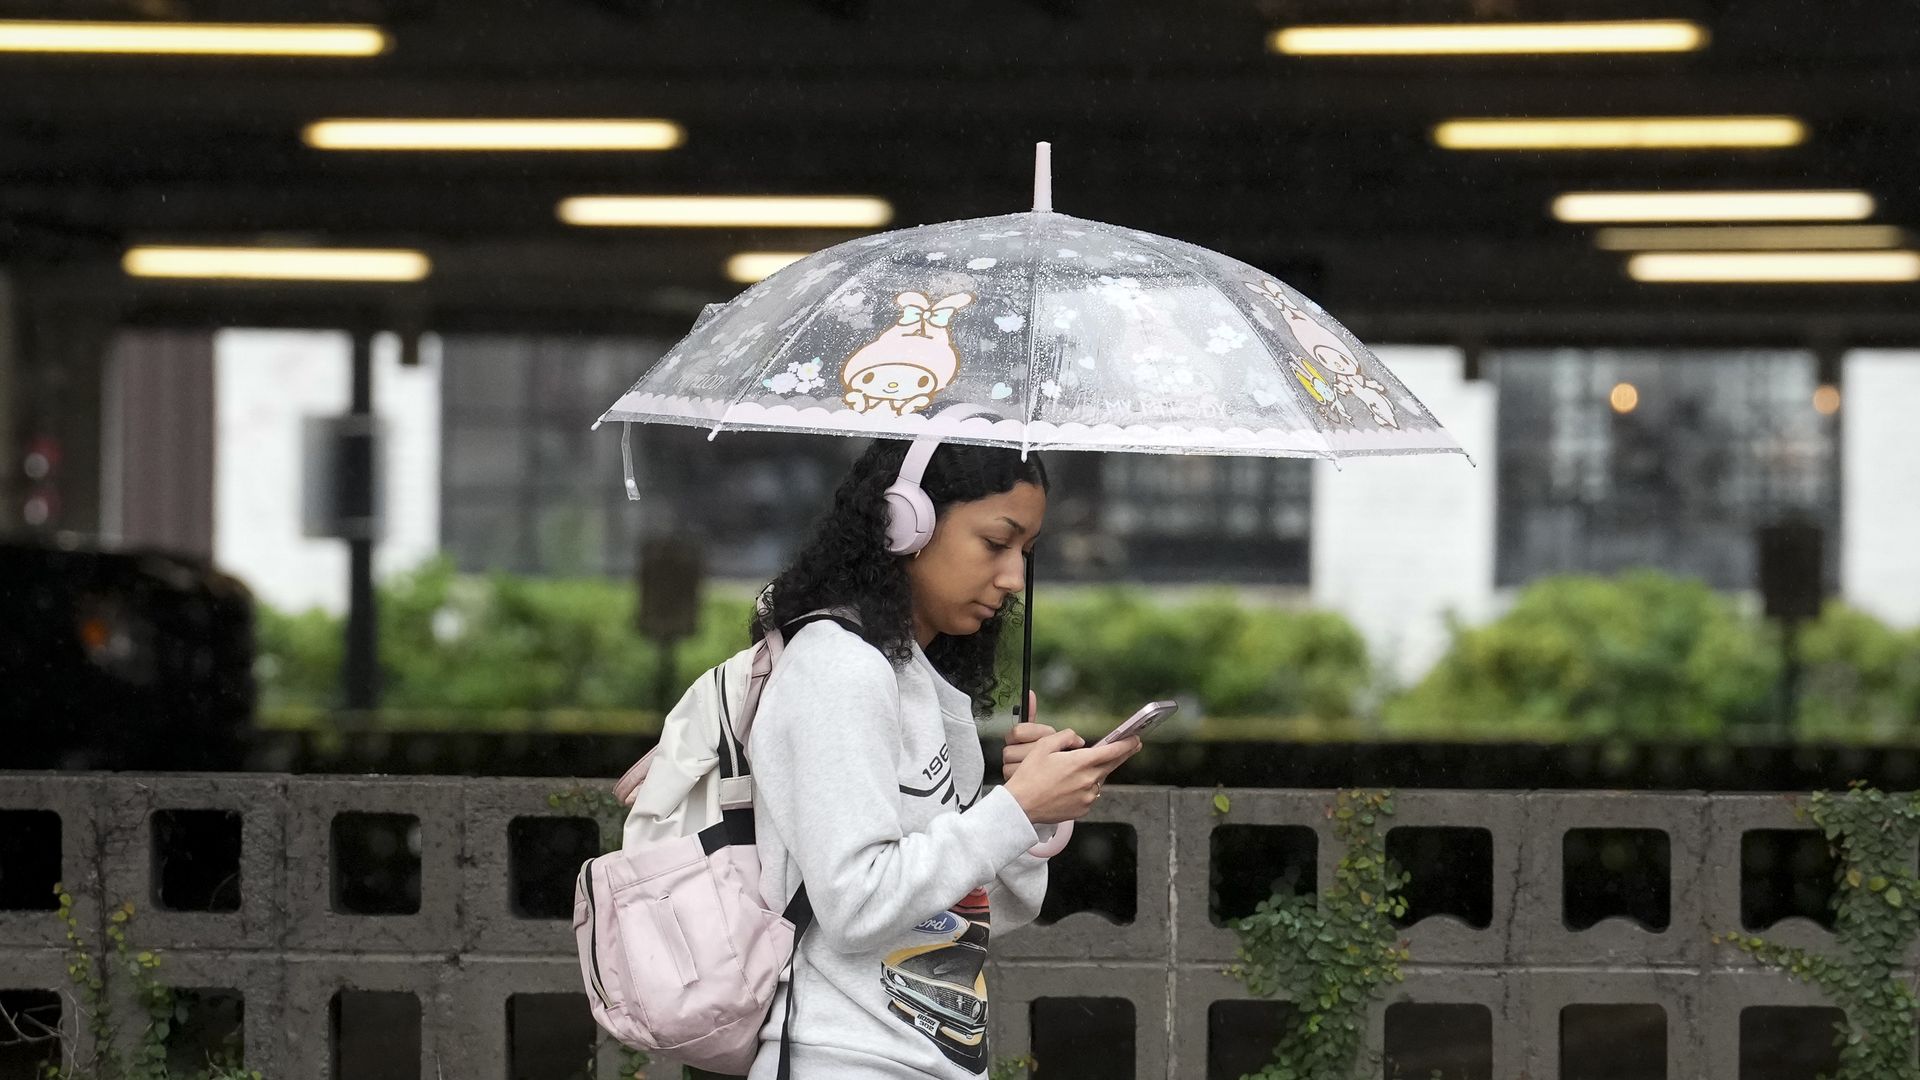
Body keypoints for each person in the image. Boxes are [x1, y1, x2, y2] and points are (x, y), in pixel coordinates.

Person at [745, 436, 1141, 1079]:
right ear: (906, 523)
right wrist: (1013, 810)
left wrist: (1030, 813)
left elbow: (968, 918)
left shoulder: (917, 680)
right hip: (845, 1060)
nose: (1014, 578)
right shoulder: (837, 667)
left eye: (1026, 553)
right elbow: (857, 903)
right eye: (995, 542)